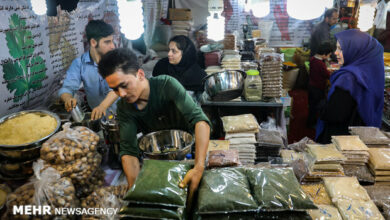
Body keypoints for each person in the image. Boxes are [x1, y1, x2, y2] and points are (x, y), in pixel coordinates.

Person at [98, 48, 211, 205]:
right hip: (158, 163)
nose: (121, 94)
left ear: (140, 74)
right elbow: (129, 153)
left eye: (124, 85)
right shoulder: (125, 108)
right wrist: (136, 192)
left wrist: (199, 167)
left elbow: (200, 122)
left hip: (192, 153)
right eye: (115, 89)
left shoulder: (166, 85)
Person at [316, 29, 384, 144]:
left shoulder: (348, 78)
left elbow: (334, 114)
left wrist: (322, 105)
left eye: (341, 49)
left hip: (339, 139)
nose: (336, 53)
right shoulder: (368, 74)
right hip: (358, 139)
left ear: (356, 50)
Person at [58, 20, 118, 120]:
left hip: (123, 114)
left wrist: (102, 106)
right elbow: (66, 88)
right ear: (93, 42)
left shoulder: (118, 59)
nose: (113, 46)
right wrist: (68, 99)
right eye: (107, 42)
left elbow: (117, 89)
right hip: (99, 119)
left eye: (112, 41)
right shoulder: (79, 64)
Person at [152, 35, 207, 101]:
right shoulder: (161, 66)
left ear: (185, 53)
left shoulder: (198, 75)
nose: (169, 54)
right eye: (169, 50)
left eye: (174, 51)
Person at [307, 41, 334, 128]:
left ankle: (310, 121)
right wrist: (332, 72)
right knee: (316, 107)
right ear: (324, 54)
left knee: (312, 106)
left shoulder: (313, 59)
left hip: (311, 86)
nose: (329, 57)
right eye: (329, 55)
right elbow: (327, 75)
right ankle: (312, 124)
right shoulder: (320, 64)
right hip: (317, 88)